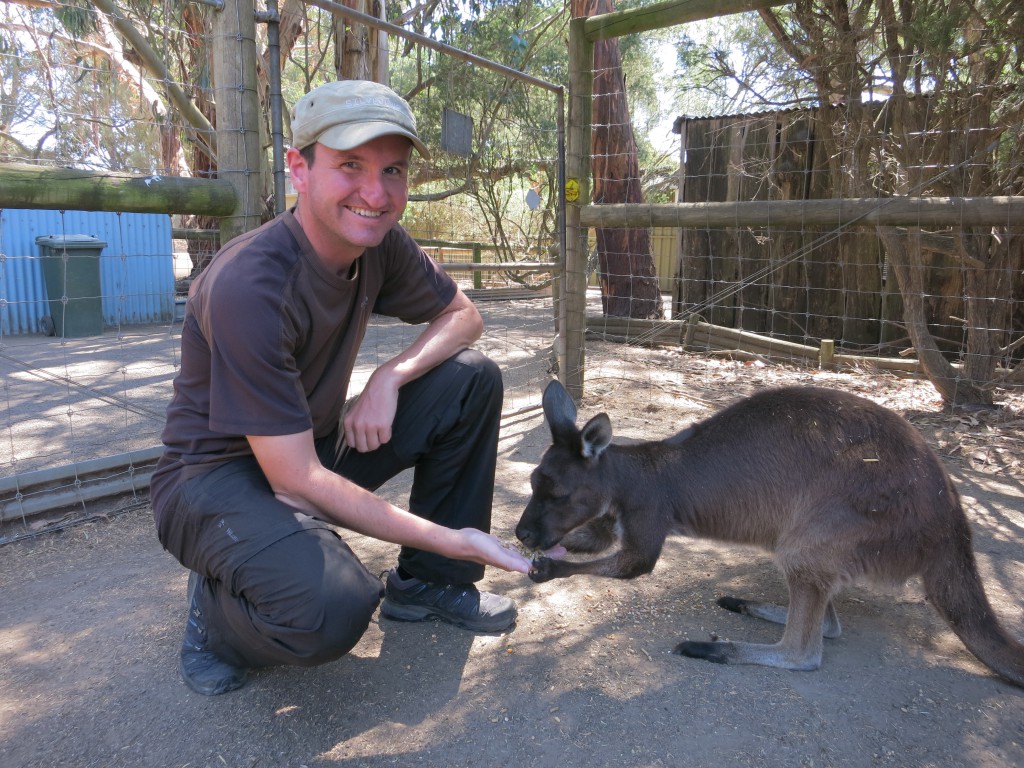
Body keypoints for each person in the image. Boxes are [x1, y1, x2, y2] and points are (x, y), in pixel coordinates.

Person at [151, 79, 532, 696]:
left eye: (393, 171)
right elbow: (293, 480)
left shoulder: (379, 242)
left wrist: (390, 375)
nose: (376, 192)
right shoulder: (252, 285)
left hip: (305, 446)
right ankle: (218, 612)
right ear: (299, 169)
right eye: (350, 165)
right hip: (212, 483)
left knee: (470, 380)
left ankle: (427, 584)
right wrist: (454, 537)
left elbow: (465, 317)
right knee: (335, 606)